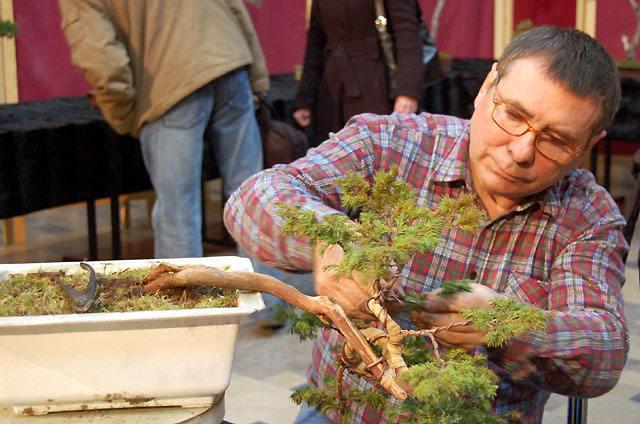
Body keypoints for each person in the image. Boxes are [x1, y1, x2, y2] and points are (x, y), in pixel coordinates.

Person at [224, 25, 629, 422]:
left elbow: (604, 353)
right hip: (347, 411)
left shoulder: (586, 216)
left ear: (588, 147)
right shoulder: (390, 143)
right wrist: (330, 241)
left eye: (556, 140)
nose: (522, 151)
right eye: (513, 114)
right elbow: (254, 198)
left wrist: (508, 325)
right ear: (487, 87)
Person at [58, 0, 268, 258]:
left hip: (170, 86)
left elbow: (101, 58)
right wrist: (257, 80)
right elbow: (235, 8)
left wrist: (123, 114)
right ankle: (271, 296)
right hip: (229, 65)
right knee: (251, 198)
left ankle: (185, 297)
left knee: (178, 214)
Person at [292, 0, 424, 146]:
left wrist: (407, 91)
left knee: (381, 155)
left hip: (378, 86)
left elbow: (407, 34)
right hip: (332, 93)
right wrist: (305, 98)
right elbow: (316, 44)